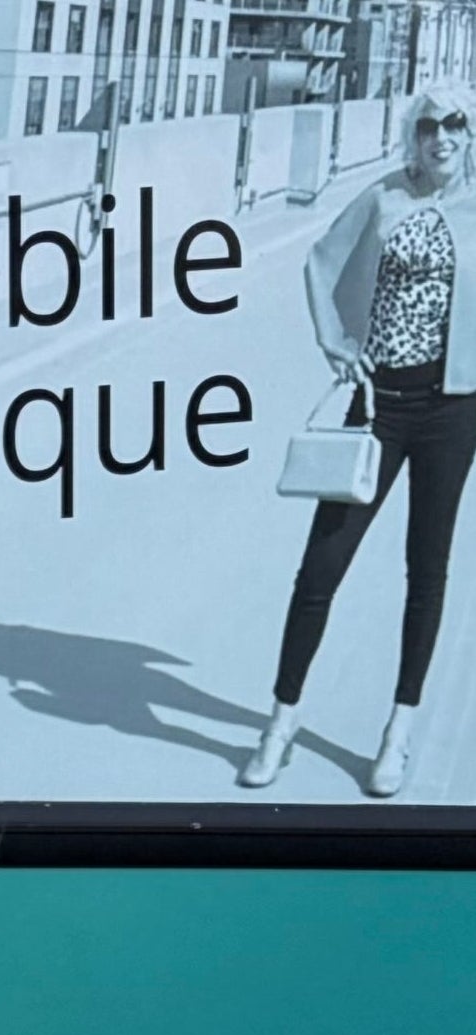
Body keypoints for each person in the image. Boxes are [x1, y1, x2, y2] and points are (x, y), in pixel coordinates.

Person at [242, 86, 476, 798]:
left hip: (454, 413)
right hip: (378, 406)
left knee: (426, 572)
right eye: (430, 126)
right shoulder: (384, 197)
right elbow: (322, 262)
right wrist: (336, 342)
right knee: (321, 569)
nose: (442, 137)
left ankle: (396, 733)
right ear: (415, 136)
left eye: (455, 125)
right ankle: (279, 724)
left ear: (470, 135)